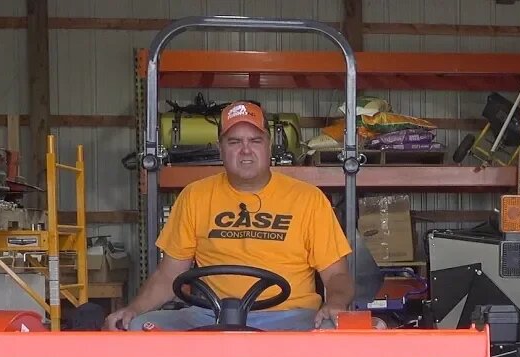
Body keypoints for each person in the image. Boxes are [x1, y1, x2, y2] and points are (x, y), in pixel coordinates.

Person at [105, 100, 355, 331]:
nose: (245, 150)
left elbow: (336, 275)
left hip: (290, 316)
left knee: (333, 330)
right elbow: (168, 274)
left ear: (268, 145)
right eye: (234, 142)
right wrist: (134, 309)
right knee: (136, 327)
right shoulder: (195, 196)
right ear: (220, 149)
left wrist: (335, 304)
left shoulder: (308, 199)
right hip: (211, 315)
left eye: (255, 141)